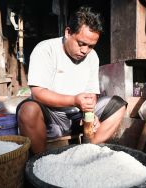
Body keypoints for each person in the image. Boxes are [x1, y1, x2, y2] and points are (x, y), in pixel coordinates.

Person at [17, 6, 127, 154]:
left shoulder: (92, 56)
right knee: (28, 110)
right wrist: (74, 100)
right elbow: (38, 93)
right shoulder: (45, 50)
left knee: (118, 106)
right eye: (81, 43)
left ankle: (88, 151)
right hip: (51, 116)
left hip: (77, 116)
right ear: (68, 32)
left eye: (91, 46)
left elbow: (91, 93)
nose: (85, 51)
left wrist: (90, 111)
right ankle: (41, 162)